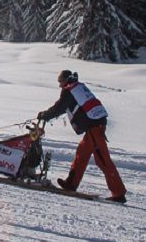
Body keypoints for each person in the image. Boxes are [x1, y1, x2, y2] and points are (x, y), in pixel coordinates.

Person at [37, 70, 127, 203]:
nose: (60, 85)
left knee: (102, 160)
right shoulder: (78, 86)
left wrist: (45, 115)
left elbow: (59, 107)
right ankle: (71, 183)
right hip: (95, 124)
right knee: (82, 154)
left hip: (95, 126)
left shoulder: (70, 91)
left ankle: (118, 193)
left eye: (61, 82)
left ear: (66, 81)